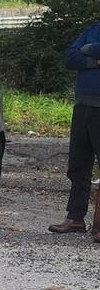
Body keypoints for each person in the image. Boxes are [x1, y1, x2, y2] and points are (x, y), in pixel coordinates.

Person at [47, 17, 100, 236]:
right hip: (82, 107)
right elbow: (70, 58)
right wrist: (95, 60)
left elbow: (83, 51)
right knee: (78, 166)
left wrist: (88, 50)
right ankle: (75, 218)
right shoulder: (92, 28)